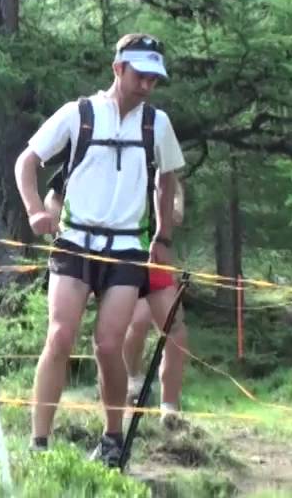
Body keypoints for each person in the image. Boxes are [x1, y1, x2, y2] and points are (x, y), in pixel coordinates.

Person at [14, 32, 188, 469]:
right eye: (140, 76)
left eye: (154, 79)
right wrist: (36, 210)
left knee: (109, 344)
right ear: (118, 69)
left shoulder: (157, 124)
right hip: (74, 242)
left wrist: (162, 237)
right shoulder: (79, 114)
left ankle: (112, 441)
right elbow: (27, 161)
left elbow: (167, 179)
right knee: (59, 336)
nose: (147, 86)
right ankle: (39, 444)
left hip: (127, 249)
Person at [43, 178, 188, 431]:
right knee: (135, 322)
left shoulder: (151, 145)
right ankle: (130, 384)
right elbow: (53, 195)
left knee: (175, 326)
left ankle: (170, 408)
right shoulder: (94, 146)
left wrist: (175, 206)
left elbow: (172, 184)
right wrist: (64, 233)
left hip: (150, 252)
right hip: (117, 255)